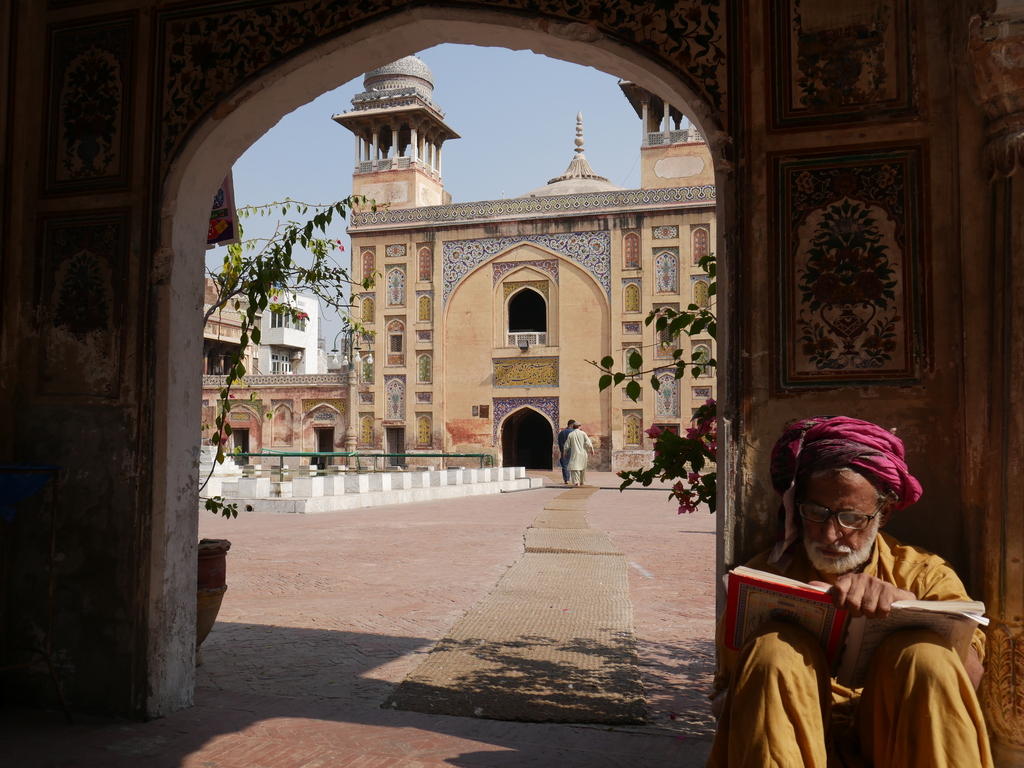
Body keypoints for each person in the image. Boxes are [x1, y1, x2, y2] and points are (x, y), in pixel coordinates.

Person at [708, 416, 992, 768]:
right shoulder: (765, 574)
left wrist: (908, 607)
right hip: (790, 741)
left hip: (892, 740)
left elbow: (970, 681)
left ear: (883, 514)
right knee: (773, 649)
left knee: (926, 655)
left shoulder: (924, 573)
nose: (829, 534)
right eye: (816, 512)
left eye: (850, 518)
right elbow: (728, 693)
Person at [556, 419, 576, 485]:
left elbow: (559, 442)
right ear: (572, 425)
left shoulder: (561, 432)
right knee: (574, 465)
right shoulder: (573, 432)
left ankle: (566, 479)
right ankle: (576, 480)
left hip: (564, 450)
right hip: (572, 450)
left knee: (565, 465)